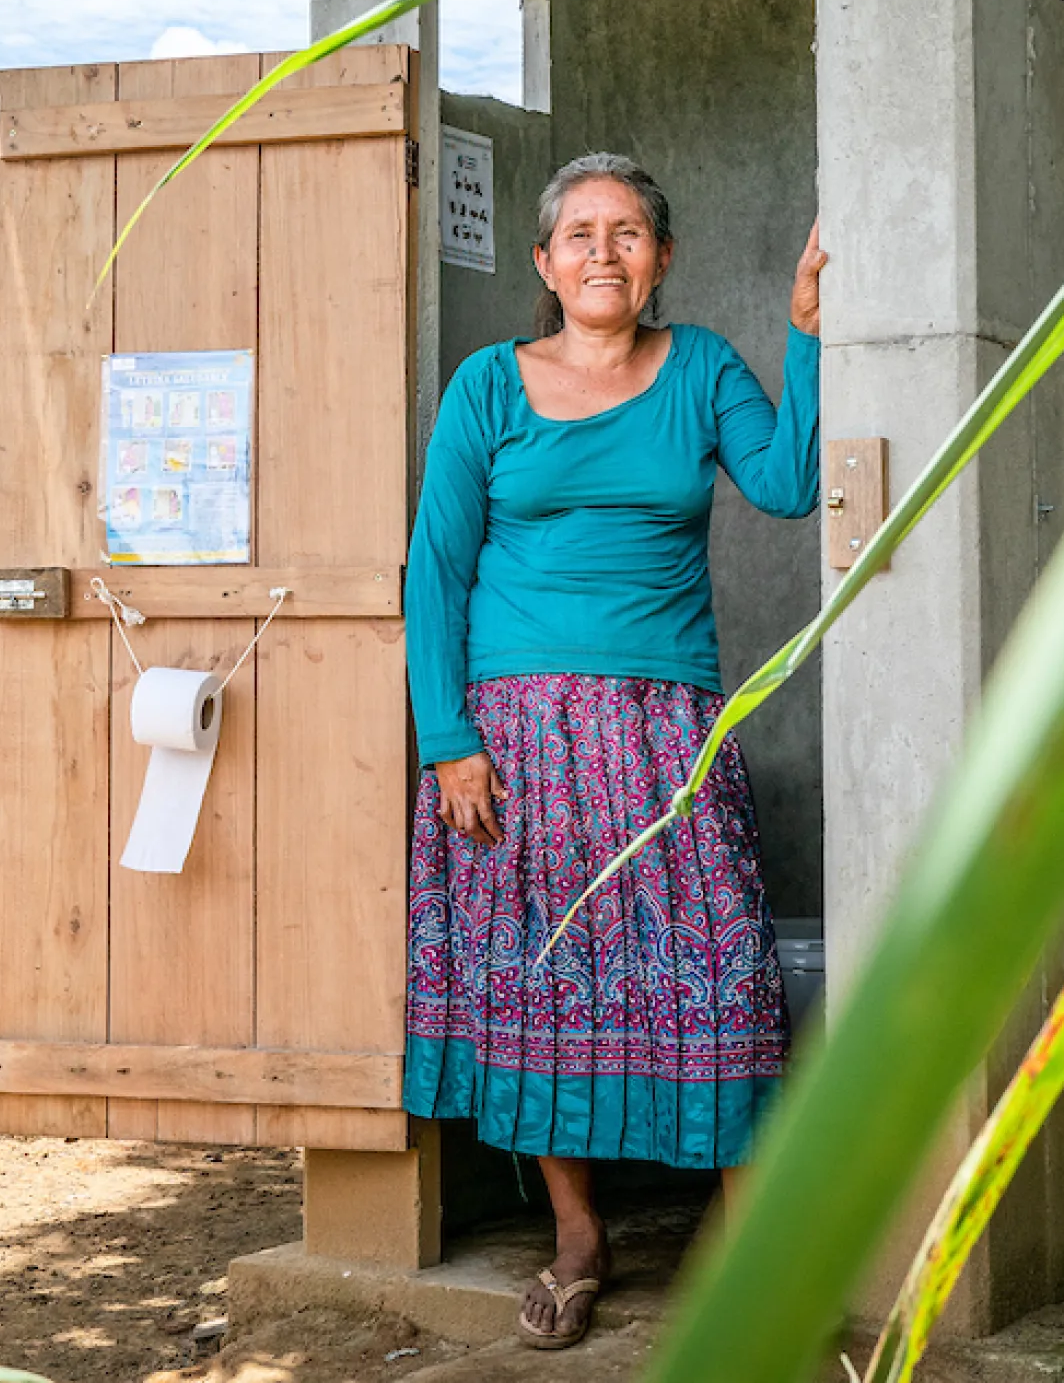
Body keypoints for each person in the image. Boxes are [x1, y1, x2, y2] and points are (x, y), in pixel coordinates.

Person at [402, 152, 828, 1350]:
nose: (603, 249)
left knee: (720, 968)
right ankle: (579, 1238)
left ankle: (745, 1244)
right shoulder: (488, 386)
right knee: (544, 983)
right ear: (543, 264)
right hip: (516, 742)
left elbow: (791, 481)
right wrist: (448, 742)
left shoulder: (698, 368)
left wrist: (806, 332)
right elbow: (434, 568)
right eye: (580, 232)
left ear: (662, 260)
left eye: (628, 230)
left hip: (666, 736)